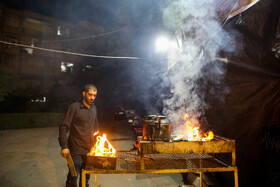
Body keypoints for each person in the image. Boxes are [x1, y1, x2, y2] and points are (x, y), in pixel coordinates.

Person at [58, 84, 99, 187]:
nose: (92, 98)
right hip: (76, 150)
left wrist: (98, 145)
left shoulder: (94, 109)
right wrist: (64, 146)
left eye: (94, 95)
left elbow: (96, 128)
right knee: (73, 178)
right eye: (90, 95)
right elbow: (64, 127)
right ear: (84, 93)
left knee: (86, 180)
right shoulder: (75, 107)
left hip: (89, 152)